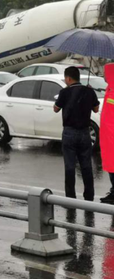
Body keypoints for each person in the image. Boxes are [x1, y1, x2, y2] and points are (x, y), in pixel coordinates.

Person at [54, 66, 99, 201]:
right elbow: (96, 109)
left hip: (69, 133)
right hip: (85, 133)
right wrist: (89, 93)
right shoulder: (89, 91)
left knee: (69, 166)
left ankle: (70, 198)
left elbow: (56, 109)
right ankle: (89, 197)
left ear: (68, 78)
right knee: (86, 166)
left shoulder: (64, 92)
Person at [101, 64, 114, 204]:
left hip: (112, 135)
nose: (104, 76)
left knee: (113, 165)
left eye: (106, 73)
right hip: (108, 134)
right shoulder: (109, 88)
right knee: (111, 164)